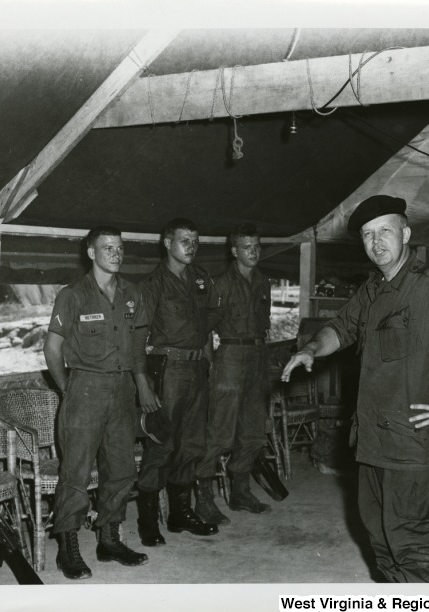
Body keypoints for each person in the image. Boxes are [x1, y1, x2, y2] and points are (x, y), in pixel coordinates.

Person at [281, 195, 429, 583]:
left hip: (414, 447)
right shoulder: (373, 288)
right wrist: (312, 348)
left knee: (415, 547)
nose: (376, 241)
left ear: (406, 234)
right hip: (373, 443)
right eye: (368, 234)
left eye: (385, 231)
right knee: (380, 540)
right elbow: (342, 327)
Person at [43, 226, 149, 580]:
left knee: (120, 469)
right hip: (84, 388)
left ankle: (109, 539)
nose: (116, 254)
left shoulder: (132, 293)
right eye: (108, 248)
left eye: (119, 248)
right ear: (91, 252)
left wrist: (140, 385)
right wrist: (66, 388)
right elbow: (53, 348)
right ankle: (68, 547)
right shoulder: (73, 295)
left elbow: (136, 347)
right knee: (75, 472)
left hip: (122, 391)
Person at [134, 218, 219, 547]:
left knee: (193, 444)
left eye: (196, 241)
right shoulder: (152, 284)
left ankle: (180, 513)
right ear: (167, 243)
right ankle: (147, 520)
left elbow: (209, 322)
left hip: (197, 371)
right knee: (162, 444)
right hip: (167, 371)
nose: (192, 247)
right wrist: (143, 384)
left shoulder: (201, 279)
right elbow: (136, 339)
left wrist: (206, 359)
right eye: (185, 241)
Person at [195, 223, 273, 525]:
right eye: (246, 247)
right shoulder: (221, 284)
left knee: (253, 431)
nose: (253, 252)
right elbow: (204, 328)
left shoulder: (263, 282)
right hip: (229, 356)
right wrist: (212, 362)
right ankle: (204, 499)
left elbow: (263, 325)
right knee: (219, 432)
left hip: (257, 357)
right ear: (234, 251)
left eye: (257, 246)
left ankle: (240, 492)